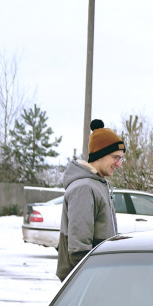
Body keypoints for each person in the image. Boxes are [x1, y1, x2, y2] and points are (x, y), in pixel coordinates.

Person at [56, 120, 124, 281]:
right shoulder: (84, 188)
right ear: (100, 154)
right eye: (115, 157)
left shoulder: (98, 185)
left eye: (121, 158)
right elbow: (79, 250)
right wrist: (89, 284)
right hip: (87, 280)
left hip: (97, 275)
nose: (119, 164)